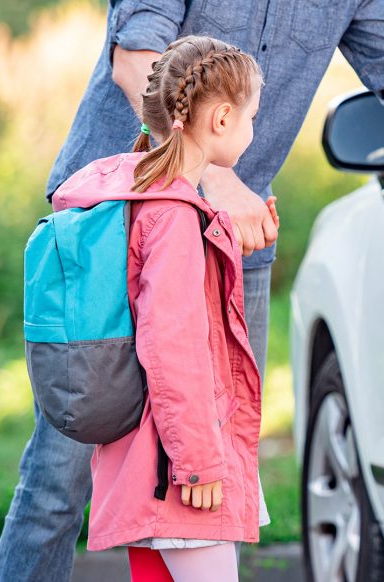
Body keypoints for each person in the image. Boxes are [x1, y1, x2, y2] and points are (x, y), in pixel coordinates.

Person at [0, 1, 384, 581]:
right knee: (61, 475)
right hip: (117, 230)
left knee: (210, 472)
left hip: (231, 242)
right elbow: (135, 59)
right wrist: (219, 178)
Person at [54, 36, 269, 581]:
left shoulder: (145, 198)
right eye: (251, 118)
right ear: (221, 118)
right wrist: (198, 464)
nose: (253, 132)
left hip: (144, 457)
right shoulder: (173, 216)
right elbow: (173, 348)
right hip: (180, 468)